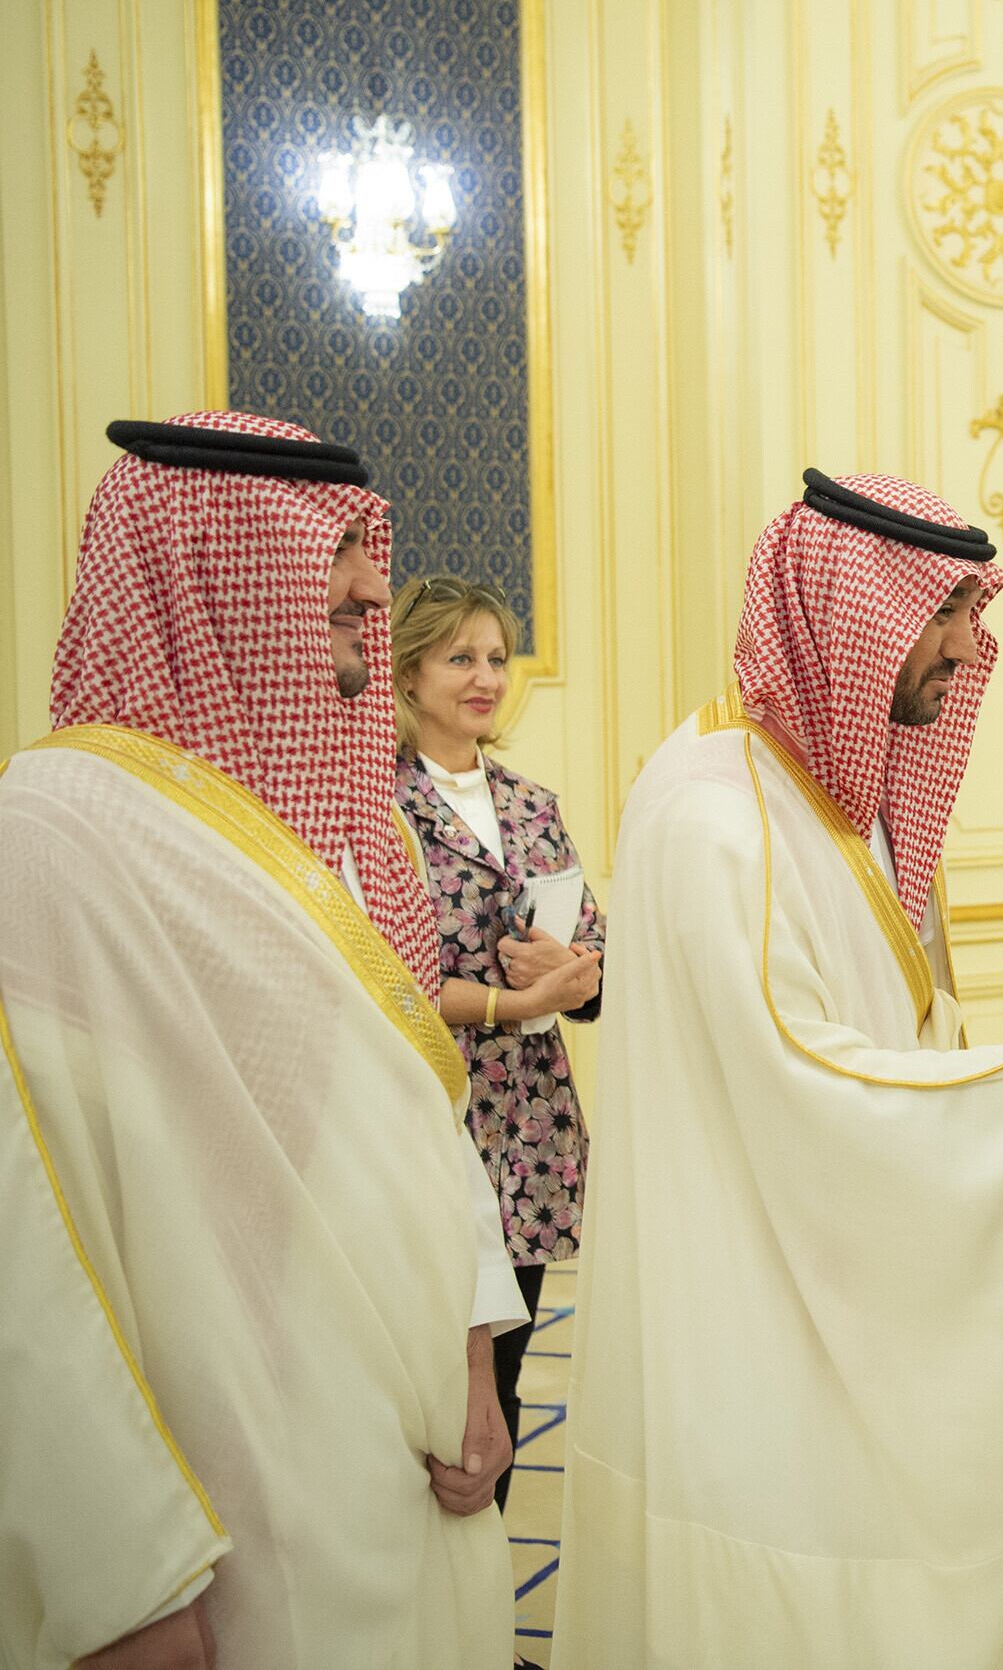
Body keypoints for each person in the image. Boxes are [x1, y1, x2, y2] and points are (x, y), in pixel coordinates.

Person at [555, 469, 1003, 1668]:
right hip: (765, 1330)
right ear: (848, 612)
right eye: (943, 613)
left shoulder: (824, 791)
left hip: (834, 1287)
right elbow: (808, 1084)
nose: (967, 648)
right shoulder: (723, 818)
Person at [0, 413, 528, 1669]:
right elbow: (29, 1243)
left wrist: (471, 1357)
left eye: (366, 545)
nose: (366, 585)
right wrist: (116, 1573)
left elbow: (425, 1118)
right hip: (219, 1495)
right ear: (199, 566)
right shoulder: (57, 835)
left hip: (404, 1451)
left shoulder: (357, 829)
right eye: (330, 549)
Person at [390, 574, 604, 1535]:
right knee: (426, 1381)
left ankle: (484, 1610)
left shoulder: (531, 803)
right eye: (459, 657)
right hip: (429, 1119)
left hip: (532, 1130)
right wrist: (521, 997)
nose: (484, 677)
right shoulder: (377, 802)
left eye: (496, 657)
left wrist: (575, 972)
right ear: (408, 670)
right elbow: (385, 972)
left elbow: (593, 957)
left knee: (505, 1383)